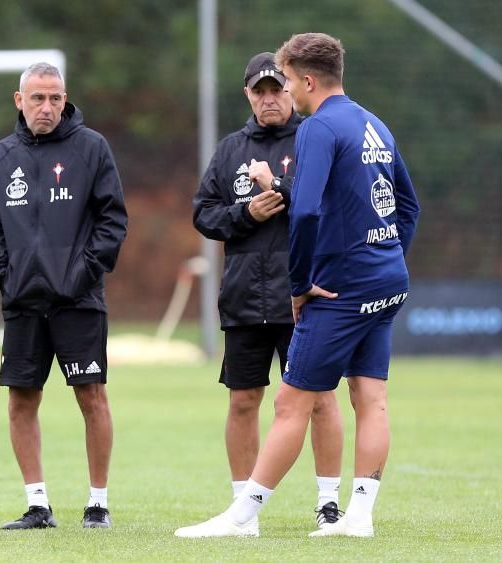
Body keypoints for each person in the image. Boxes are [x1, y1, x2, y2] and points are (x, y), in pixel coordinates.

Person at [176, 32, 420, 539]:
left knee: (292, 403)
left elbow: (305, 210)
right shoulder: (374, 122)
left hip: (341, 288)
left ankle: (241, 516)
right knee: (370, 397)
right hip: (386, 279)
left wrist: (302, 282)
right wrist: (387, 258)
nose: (281, 89)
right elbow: (408, 207)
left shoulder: (318, 129)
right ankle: (359, 517)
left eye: (286, 79)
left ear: (306, 80)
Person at [191, 51, 344, 536]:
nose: (270, 98)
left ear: (292, 88)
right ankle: (244, 511)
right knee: (243, 401)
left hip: (305, 295)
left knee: (319, 400)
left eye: (277, 89)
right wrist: (245, 215)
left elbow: (328, 201)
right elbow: (203, 213)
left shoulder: (312, 137)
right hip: (243, 296)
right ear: (248, 95)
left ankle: (328, 502)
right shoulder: (231, 148)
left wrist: (276, 190)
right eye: (260, 91)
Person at [0, 62, 127, 530]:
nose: (47, 107)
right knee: (22, 399)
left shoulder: (91, 148)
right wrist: (3, 274)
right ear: (19, 101)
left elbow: (112, 221)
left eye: (55, 98)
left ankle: (97, 503)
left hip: (78, 300)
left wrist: (83, 273)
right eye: (38, 98)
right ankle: (37, 505)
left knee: (92, 395)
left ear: (65, 100)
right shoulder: (0, 157)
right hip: (22, 300)